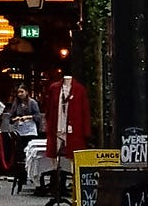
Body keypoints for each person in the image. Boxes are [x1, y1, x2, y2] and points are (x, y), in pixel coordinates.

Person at [43, 70, 91, 206]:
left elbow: (85, 111)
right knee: (54, 159)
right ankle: (56, 189)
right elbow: (48, 110)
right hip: (57, 127)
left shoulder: (80, 90)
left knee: (73, 161)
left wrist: (86, 132)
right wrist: (49, 126)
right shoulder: (54, 88)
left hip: (74, 130)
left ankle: (76, 192)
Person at [7, 84, 42, 192]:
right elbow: (10, 118)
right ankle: (22, 177)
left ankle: (32, 176)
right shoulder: (16, 104)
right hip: (20, 131)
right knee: (21, 154)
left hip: (30, 130)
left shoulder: (32, 103)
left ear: (27, 92)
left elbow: (38, 116)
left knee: (31, 154)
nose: (20, 94)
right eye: (18, 92)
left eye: (22, 92)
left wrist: (28, 117)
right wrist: (15, 119)